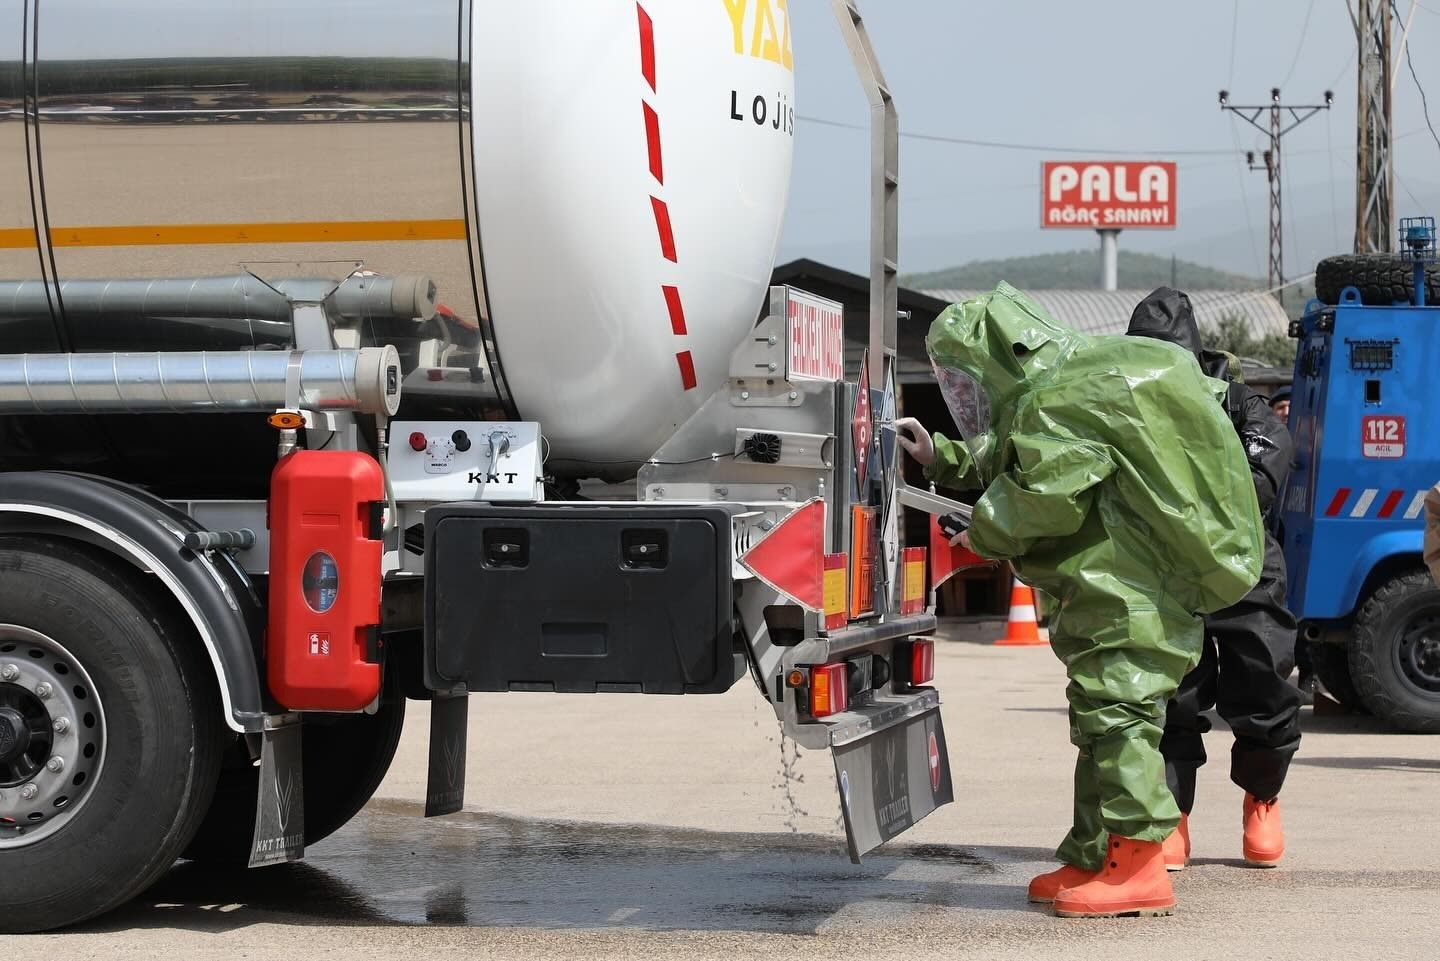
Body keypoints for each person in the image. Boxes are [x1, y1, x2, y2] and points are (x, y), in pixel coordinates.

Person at [896, 283, 1262, 919]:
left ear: (1002, 355)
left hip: (1120, 594)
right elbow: (1021, 455)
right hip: (1121, 590)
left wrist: (982, 530)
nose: (969, 393)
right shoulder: (1075, 386)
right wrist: (942, 455)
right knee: (1101, 722)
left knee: (1116, 720)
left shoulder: (1059, 399)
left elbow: (1043, 494)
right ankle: (1097, 853)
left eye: (969, 376)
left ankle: (1140, 863)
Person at [1125, 287, 1302, 873]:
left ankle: (1263, 797)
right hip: (1166, 569)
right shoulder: (1125, 408)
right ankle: (1172, 815)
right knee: (1173, 692)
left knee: (1265, 680)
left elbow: (1264, 478)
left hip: (1242, 563)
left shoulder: (1239, 404)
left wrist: (1182, 495)